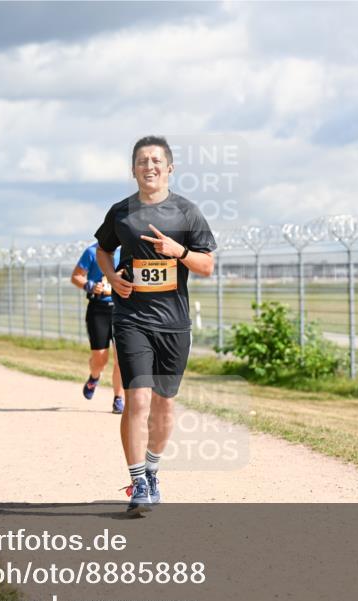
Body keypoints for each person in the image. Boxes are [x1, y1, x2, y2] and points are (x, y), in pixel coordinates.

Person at [94, 135, 216, 513]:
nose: (149, 166)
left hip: (174, 323)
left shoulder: (187, 212)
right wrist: (113, 278)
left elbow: (208, 266)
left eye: (156, 161)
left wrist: (178, 252)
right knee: (138, 398)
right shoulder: (121, 213)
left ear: (169, 168)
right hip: (131, 318)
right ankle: (137, 482)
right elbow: (102, 249)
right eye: (142, 161)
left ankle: (151, 469)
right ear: (133, 170)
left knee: (164, 406)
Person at [70, 243, 125, 414]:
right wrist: (91, 286)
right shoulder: (92, 252)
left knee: (121, 357)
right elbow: (76, 277)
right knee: (100, 358)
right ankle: (94, 377)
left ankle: (119, 398)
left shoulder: (127, 251)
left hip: (122, 309)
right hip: (98, 310)